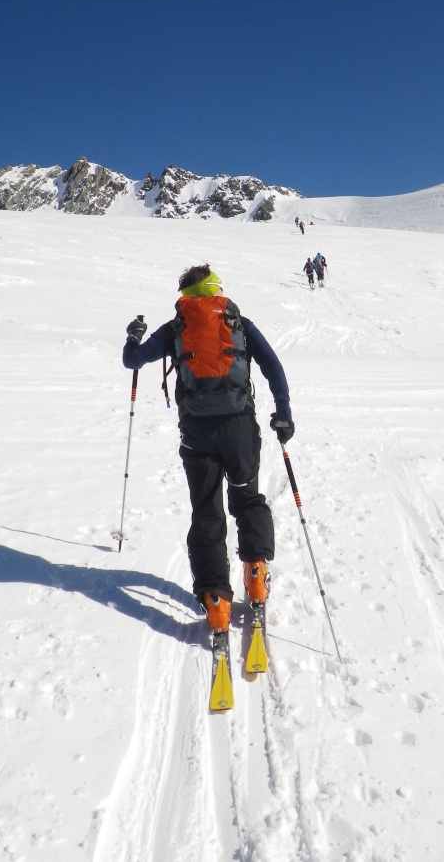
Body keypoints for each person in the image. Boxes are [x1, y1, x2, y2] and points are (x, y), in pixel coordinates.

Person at [122, 265, 294, 634]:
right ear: (215, 288)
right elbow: (273, 368)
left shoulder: (177, 326)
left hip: (197, 433)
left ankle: (216, 598)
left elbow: (132, 361)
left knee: (206, 513)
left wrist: (133, 338)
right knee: (247, 500)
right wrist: (283, 413)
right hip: (240, 429)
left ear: (185, 293)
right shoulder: (237, 322)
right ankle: (256, 573)